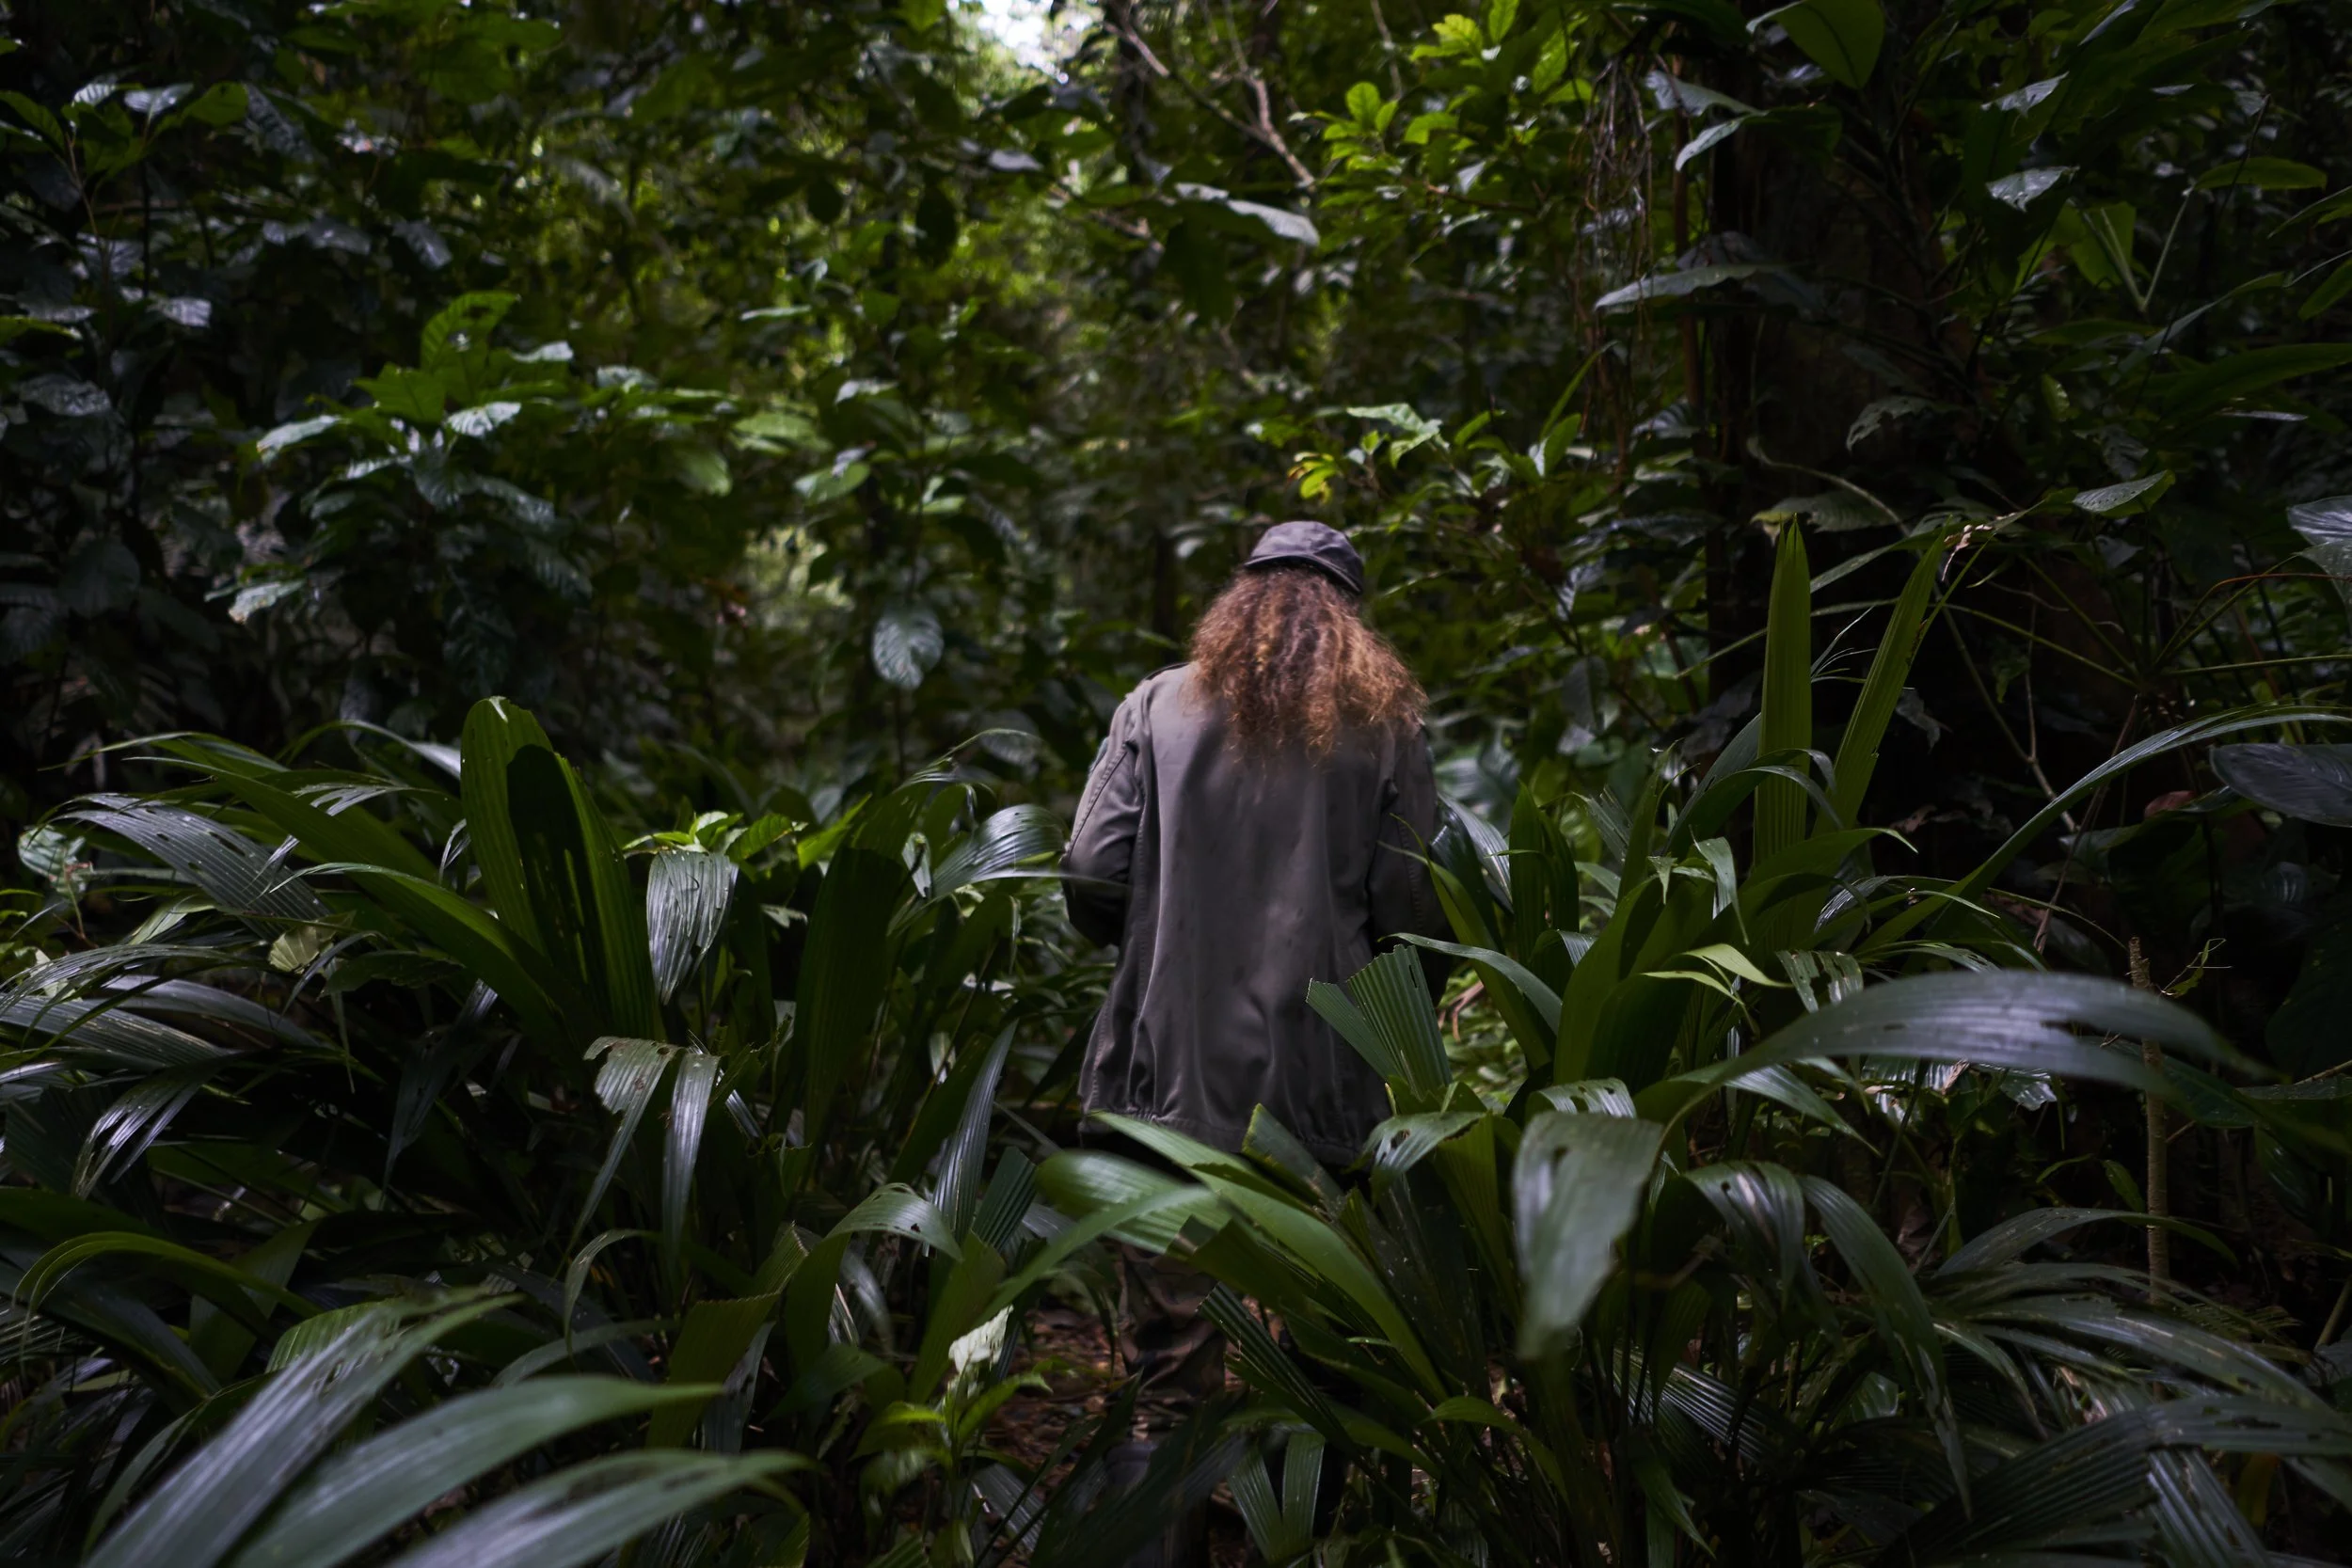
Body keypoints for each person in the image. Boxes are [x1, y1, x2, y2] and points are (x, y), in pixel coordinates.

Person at [1060, 520, 1450, 1564]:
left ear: (1243, 599)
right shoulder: (1385, 727)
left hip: (1163, 1093)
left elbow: (1092, 873)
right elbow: (1410, 907)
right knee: (1315, 1366)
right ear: (1349, 614)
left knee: (1167, 1384)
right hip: (1315, 1113)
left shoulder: (1157, 704)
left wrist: (1150, 930)